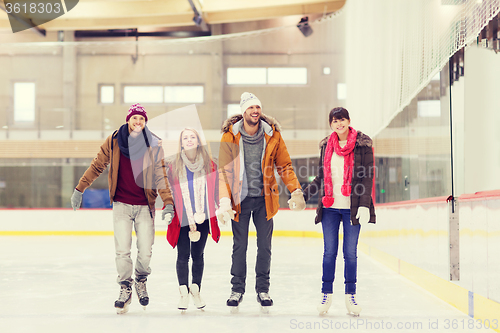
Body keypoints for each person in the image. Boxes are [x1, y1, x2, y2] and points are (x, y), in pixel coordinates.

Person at [70, 103, 174, 314]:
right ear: (129, 120)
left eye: (142, 119)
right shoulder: (115, 140)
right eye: (135, 118)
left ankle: (141, 280)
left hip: (145, 205)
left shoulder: (153, 144)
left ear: (145, 122)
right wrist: (80, 188)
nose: (138, 122)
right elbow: (97, 165)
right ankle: (125, 287)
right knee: (122, 251)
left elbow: (160, 174)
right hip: (122, 204)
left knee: (145, 251)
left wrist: (168, 202)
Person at [216, 92, 306, 311]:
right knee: (240, 247)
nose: (255, 111)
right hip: (240, 201)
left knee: (264, 247)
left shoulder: (272, 135)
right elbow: (224, 170)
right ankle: (237, 289)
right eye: (250, 108)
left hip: (265, 200)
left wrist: (295, 190)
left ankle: (262, 289)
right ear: (243, 111)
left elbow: (284, 166)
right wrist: (224, 199)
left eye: (257, 108)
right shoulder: (230, 136)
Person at [303, 107, 376, 316]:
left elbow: (366, 176)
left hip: (352, 208)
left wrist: (364, 204)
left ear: (349, 121)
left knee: (350, 254)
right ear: (331, 124)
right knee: (329, 253)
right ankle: (326, 294)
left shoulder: (363, 145)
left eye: (342, 119)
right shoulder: (327, 146)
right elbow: (320, 177)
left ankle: (350, 296)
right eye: (335, 121)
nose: (339, 124)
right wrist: (304, 195)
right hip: (329, 208)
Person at [165, 128, 220, 311]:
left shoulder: (209, 165)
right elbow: (168, 191)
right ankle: (183, 294)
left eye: (192, 137)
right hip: (182, 218)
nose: (189, 140)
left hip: (202, 216)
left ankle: (196, 291)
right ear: (181, 142)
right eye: (185, 138)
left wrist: (222, 207)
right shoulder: (173, 165)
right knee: (182, 256)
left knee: (198, 255)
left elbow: (216, 190)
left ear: (198, 141)